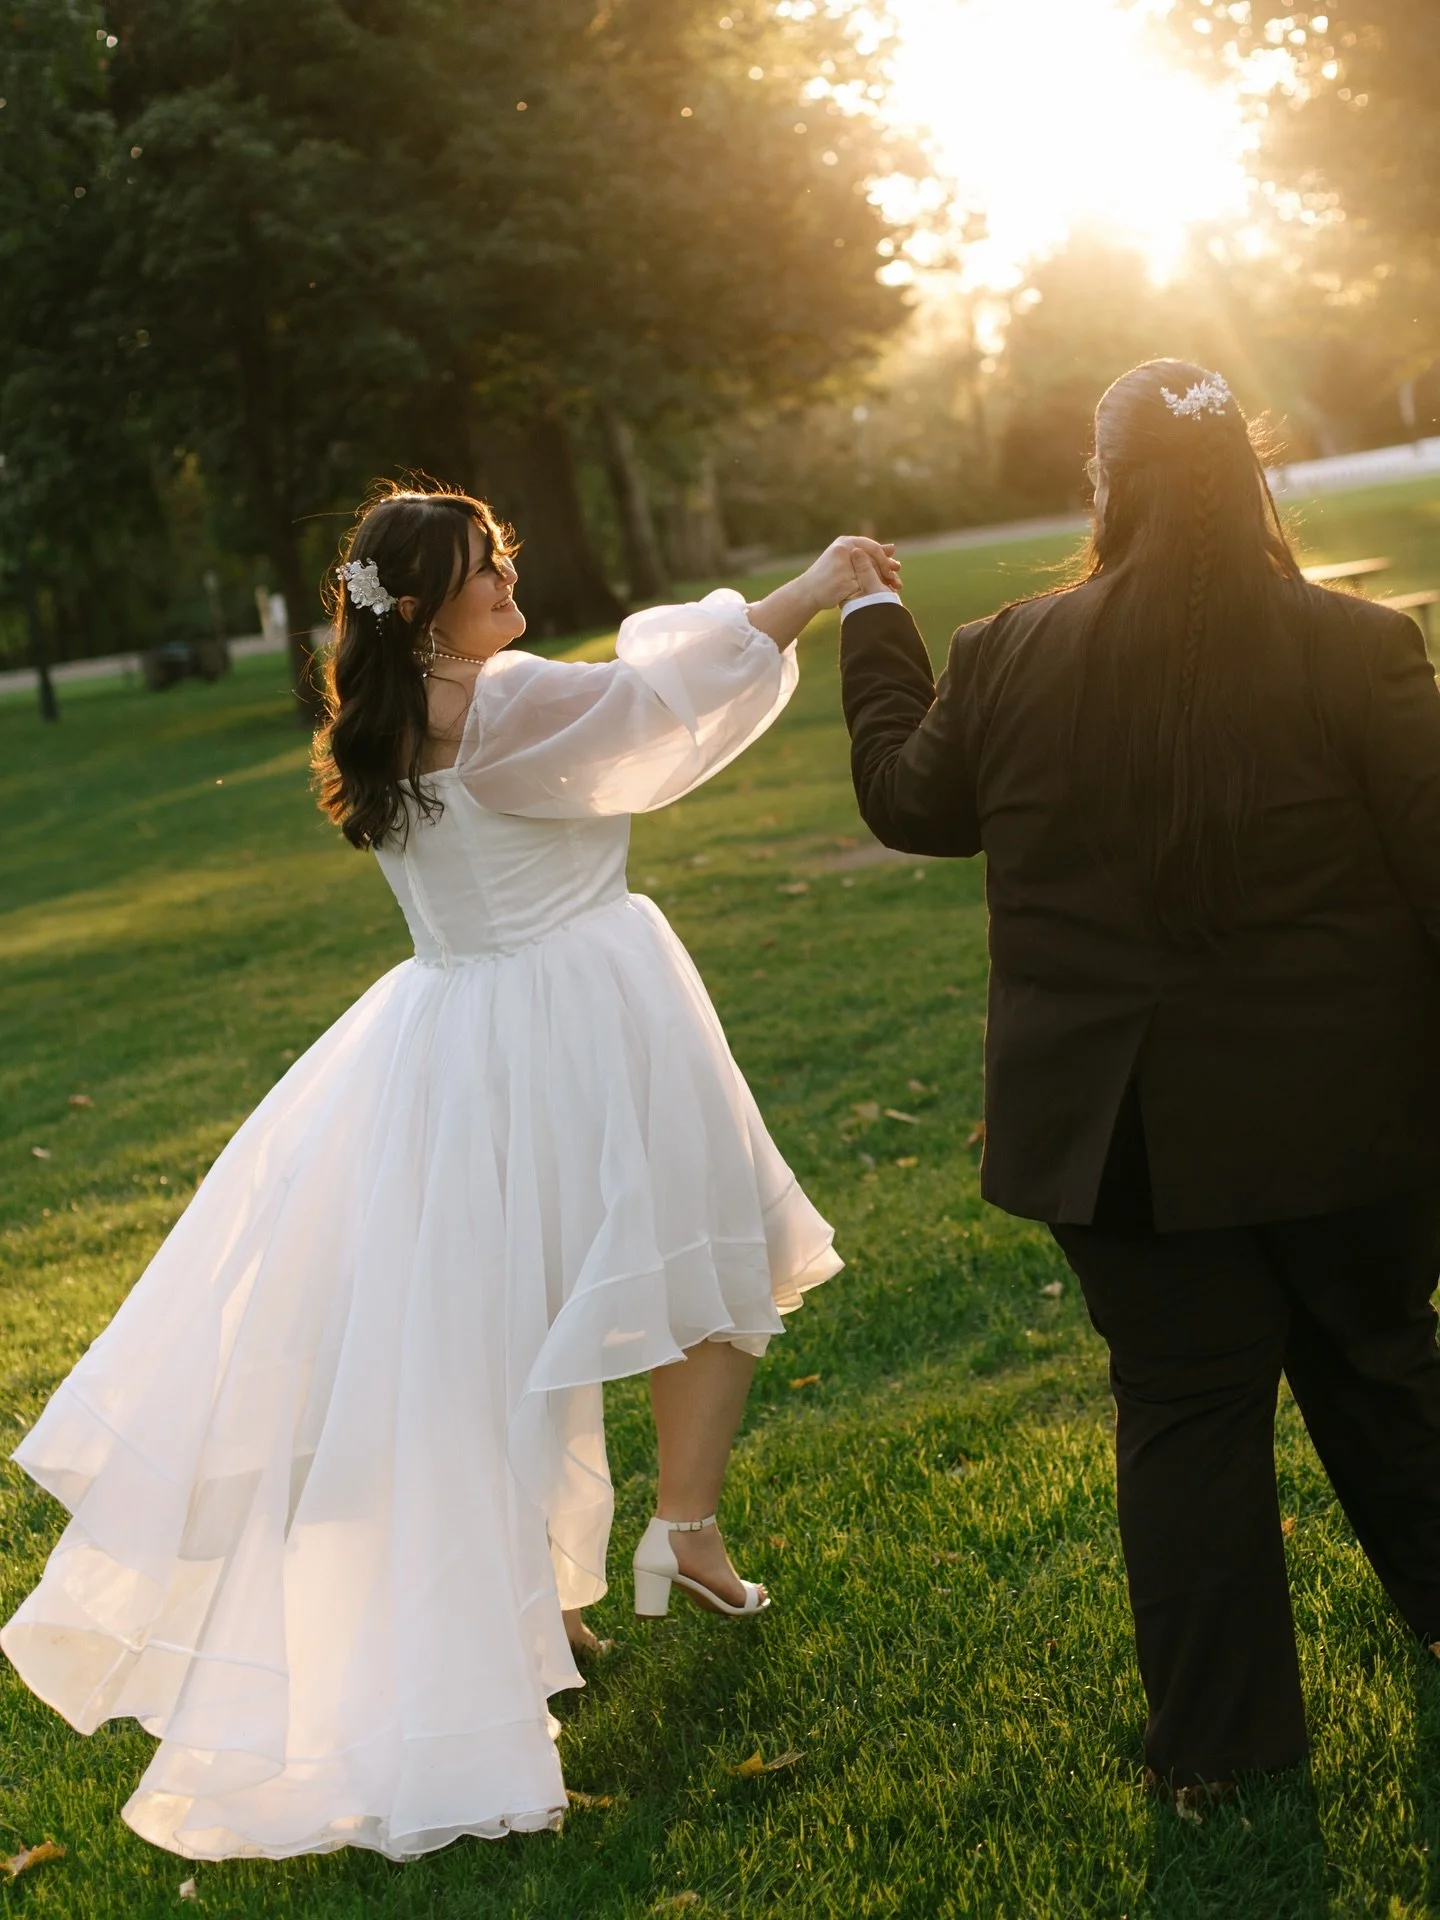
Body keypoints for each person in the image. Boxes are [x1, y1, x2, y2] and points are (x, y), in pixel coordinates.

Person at [1, 481, 896, 1861]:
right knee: (709, 1259)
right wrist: (814, 585)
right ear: (419, 607)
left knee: (490, 1335)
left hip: (450, 1037)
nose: (508, 579)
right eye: (485, 567)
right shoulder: (505, 702)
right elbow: (655, 714)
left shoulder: (377, 726)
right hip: (589, 1014)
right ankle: (685, 1533)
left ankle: (542, 1605)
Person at [838, 359, 1440, 1802]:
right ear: (1252, 477)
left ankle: (1224, 1760)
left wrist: (874, 627)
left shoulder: (1001, 653)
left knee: (1183, 1415)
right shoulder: (1364, 645)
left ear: (1105, 489)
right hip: (1347, 1118)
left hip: (1117, 1140)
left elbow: (910, 807)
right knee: (1382, 1368)